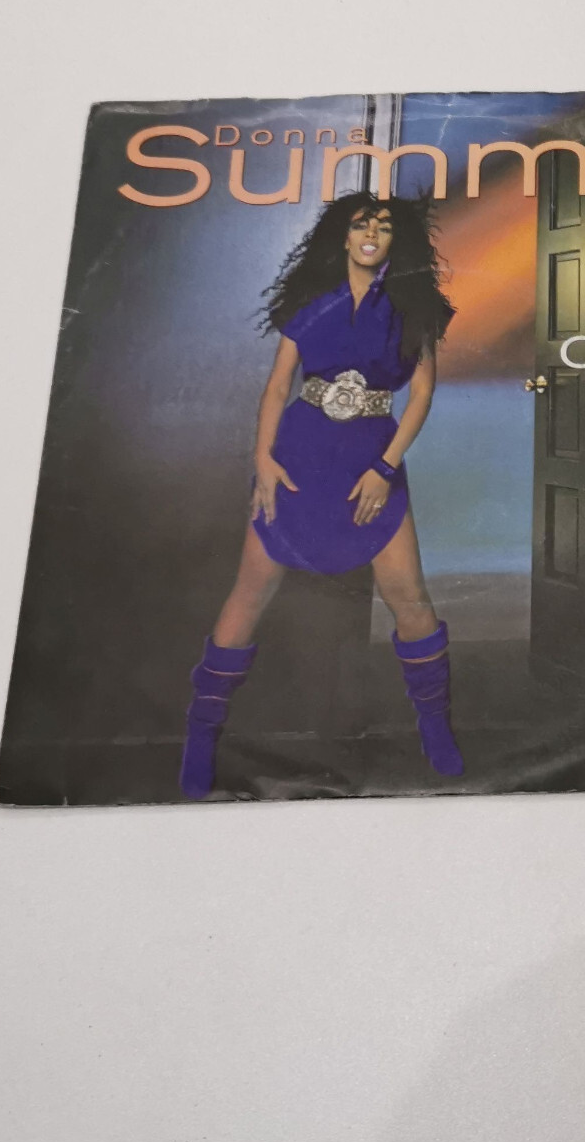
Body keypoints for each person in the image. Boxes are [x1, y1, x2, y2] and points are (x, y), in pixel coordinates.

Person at [179, 192, 460, 799]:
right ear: (343, 235)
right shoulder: (310, 301)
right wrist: (263, 461)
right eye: (361, 224)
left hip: (371, 459)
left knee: (409, 597)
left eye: (384, 227)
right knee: (250, 592)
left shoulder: (414, 306)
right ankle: (200, 738)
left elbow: (422, 394)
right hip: (298, 457)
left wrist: (385, 467)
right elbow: (278, 387)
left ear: (398, 241)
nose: (371, 234)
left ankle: (436, 728)